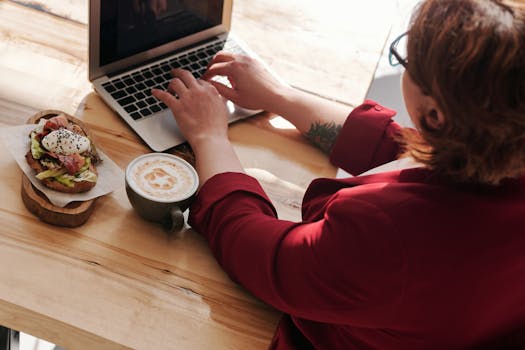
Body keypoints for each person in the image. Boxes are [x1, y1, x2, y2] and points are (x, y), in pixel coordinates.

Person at [152, 0, 525, 348]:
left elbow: (264, 257)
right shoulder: (504, 150)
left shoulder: (387, 232)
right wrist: (280, 96)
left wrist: (208, 136)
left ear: (435, 116)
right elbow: (408, 151)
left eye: (408, 59)